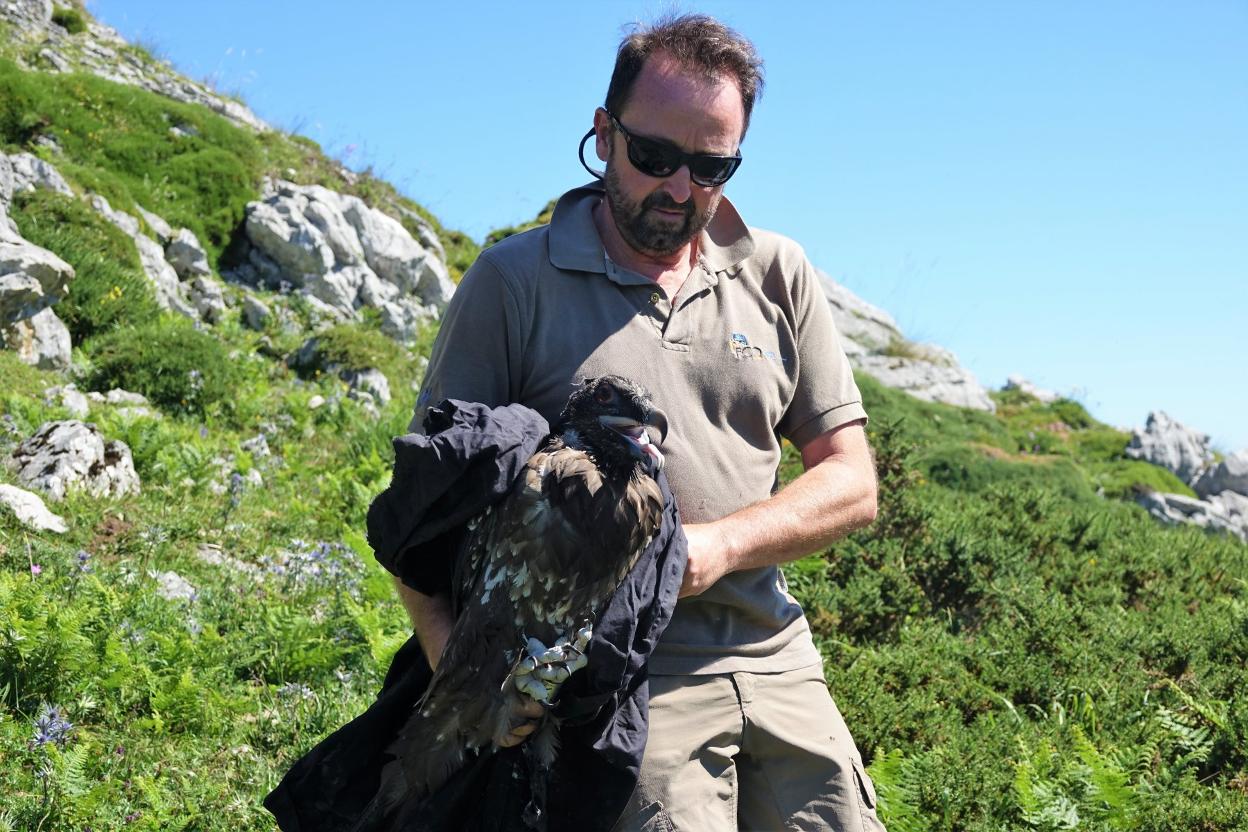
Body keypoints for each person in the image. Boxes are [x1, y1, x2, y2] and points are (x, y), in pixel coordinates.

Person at [397, 13, 887, 832]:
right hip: (620, 682)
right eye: (654, 157)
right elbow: (422, 505)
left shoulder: (779, 273)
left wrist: (717, 548)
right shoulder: (514, 282)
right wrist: (461, 670)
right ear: (602, 132)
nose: (678, 189)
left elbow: (851, 481)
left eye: (710, 166)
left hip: (778, 659)